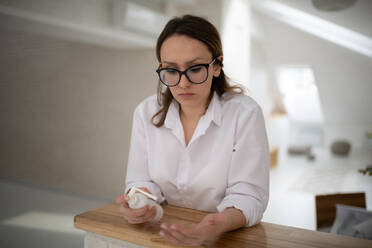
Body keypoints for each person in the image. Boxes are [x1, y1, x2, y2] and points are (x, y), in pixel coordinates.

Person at [116, 14, 269, 246]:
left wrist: (216, 224)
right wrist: (140, 202)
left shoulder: (244, 114)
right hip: (164, 234)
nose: (183, 83)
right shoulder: (145, 112)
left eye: (195, 68)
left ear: (216, 66)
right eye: (171, 70)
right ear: (161, 69)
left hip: (225, 237)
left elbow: (249, 196)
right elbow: (141, 180)